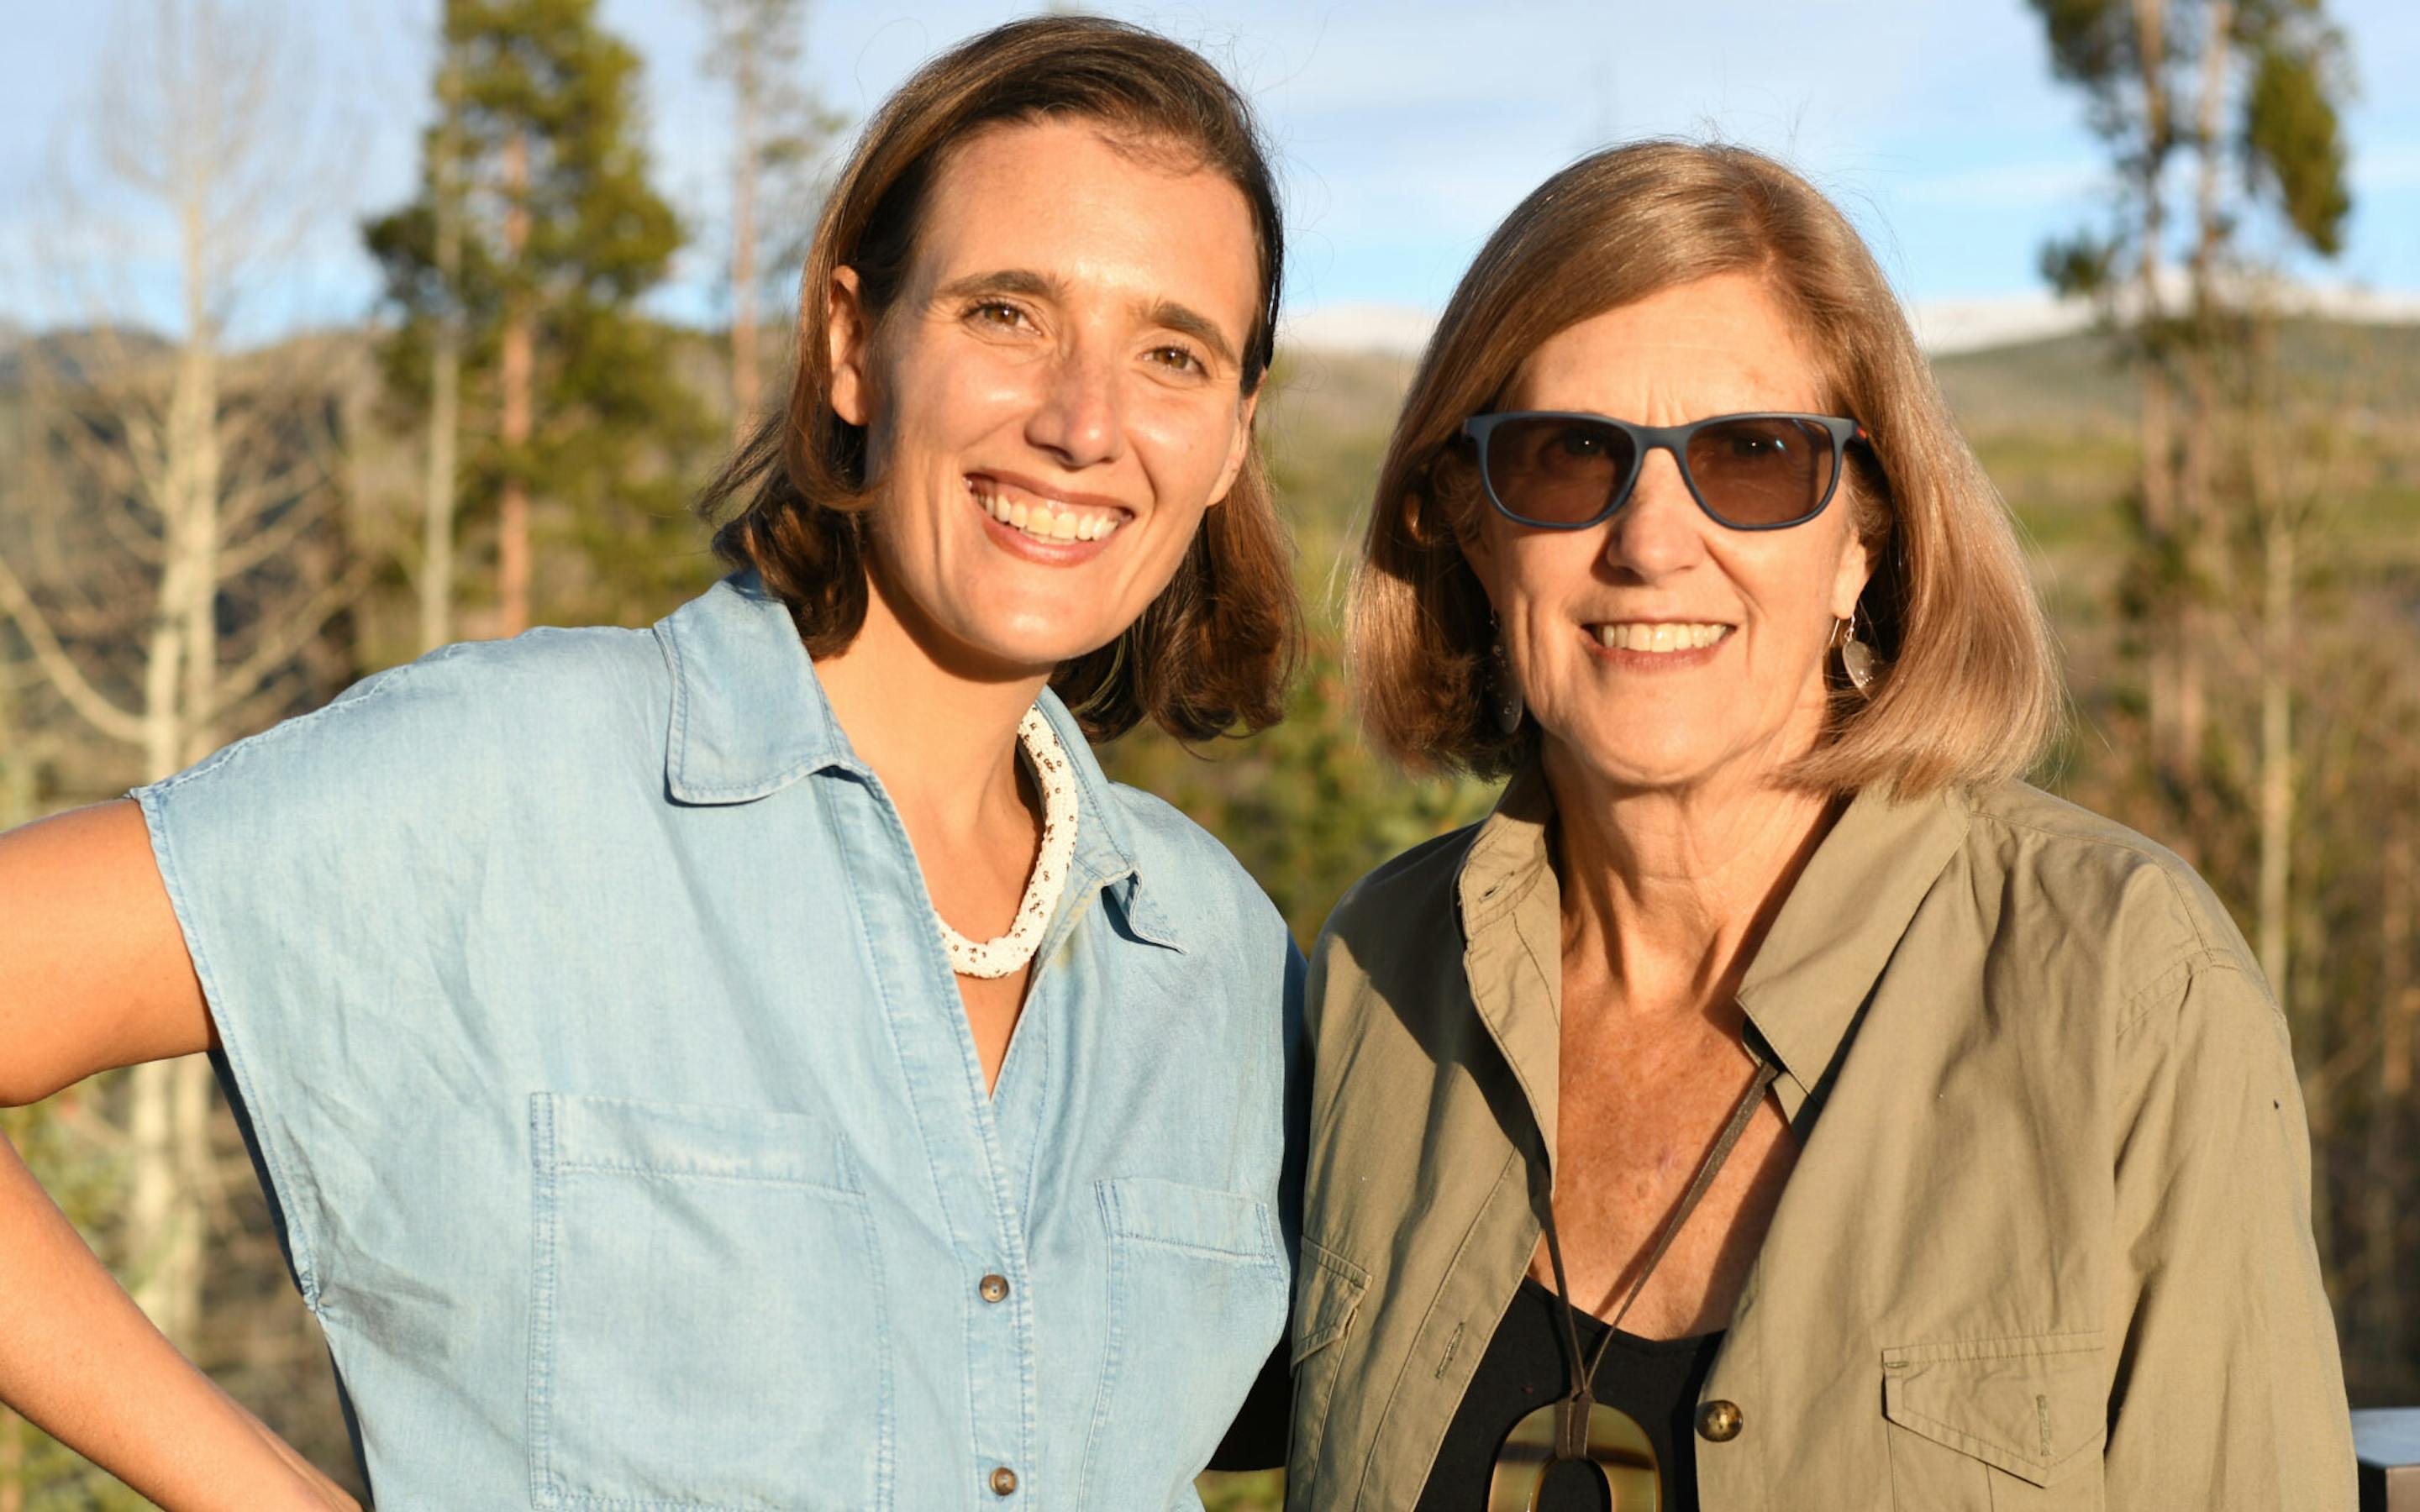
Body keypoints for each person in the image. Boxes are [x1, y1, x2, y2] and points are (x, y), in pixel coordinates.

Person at [0, 17, 1304, 1509]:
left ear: (1231, 437)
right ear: (852, 345)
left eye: (1172, 354)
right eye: (1007, 313)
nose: (1083, 423)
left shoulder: (1223, 961)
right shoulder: (508, 786)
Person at [1286, 139, 2355, 1512]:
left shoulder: (2124, 988)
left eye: (1751, 457)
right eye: (1568, 457)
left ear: (1866, 539)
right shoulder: (1382, 971)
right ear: (1471, 527)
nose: (1651, 544)